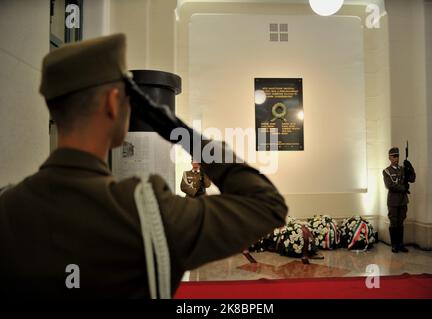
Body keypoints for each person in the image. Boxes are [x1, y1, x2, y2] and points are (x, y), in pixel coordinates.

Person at [0, 34, 287, 299]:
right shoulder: (148, 211)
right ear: (114, 104)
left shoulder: (7, 206)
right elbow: (267, 205)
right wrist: (182, 133)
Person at [382, 147, 416, 253]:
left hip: (403, 200)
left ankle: (401, 244)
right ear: (389, 158)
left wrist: (410, 168)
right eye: (394, 156)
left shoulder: (402, 169)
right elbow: (389, 185)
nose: (396, 158)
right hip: (393, 201)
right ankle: (394, 245)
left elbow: (412, 179)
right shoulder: (386, 171)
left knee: (401, 222)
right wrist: (403, 188)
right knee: (394, 222)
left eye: (397, 156)